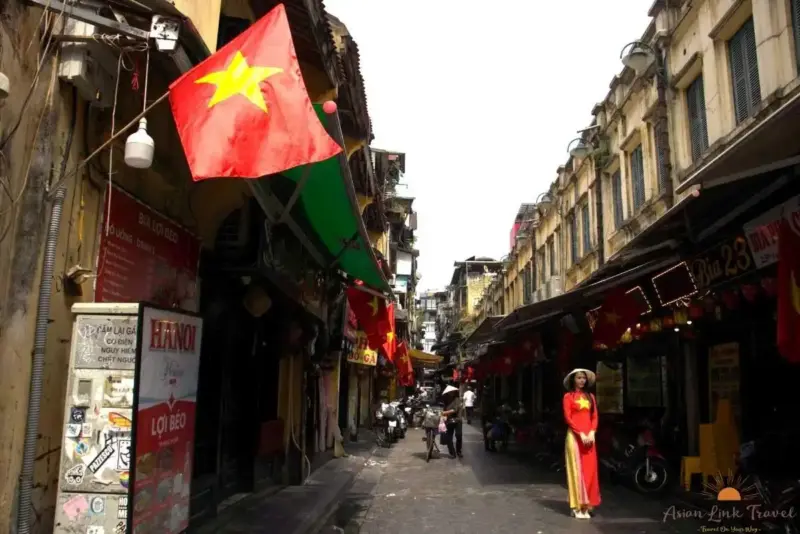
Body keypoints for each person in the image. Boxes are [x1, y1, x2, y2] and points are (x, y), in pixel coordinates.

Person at [562, 368, 601, 520]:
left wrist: (592, 432)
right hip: (575, 437)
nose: (582, 380)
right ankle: (576, 505)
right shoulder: (568, 397)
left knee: (590, 471)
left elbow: (595, 416)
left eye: (584, 378)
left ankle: (588, 505)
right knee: (576, 470)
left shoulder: (591, 397)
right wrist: (581, 433)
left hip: (589, 438)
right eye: (579, 378)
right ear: (573, 380)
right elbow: (568, 418)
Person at [440, 385, 463, 458]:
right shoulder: (446, 401)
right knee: (449, 437)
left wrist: (444, 413)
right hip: (449, 421)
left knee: (458, 435)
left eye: (452, 392)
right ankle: (452, 452)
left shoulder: (457, 399)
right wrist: (443, 419)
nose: (451, 393)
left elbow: (455, 410)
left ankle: (459, 451)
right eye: (450, 392)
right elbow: (444, 410)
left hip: (458, 420)